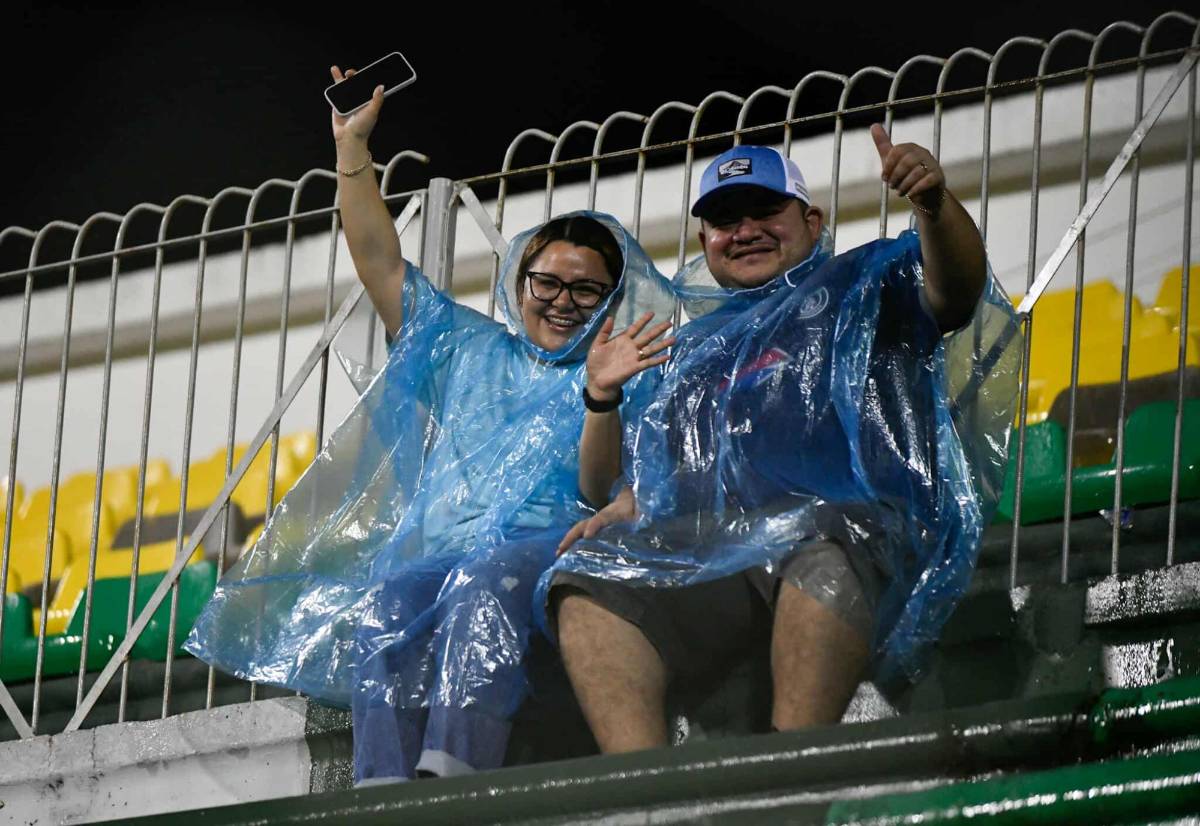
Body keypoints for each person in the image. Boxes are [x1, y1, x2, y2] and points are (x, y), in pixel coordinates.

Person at [184, 69, 676, 783]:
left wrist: (602, 393)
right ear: (520, 282)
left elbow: (603, 490)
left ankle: (454, 769)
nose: (564, 302)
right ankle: (381, 781)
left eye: (587, 289)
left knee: (487, 575)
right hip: (443, 562)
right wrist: (352, 153)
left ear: (611, 297)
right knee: (391, 596)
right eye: (549, 282)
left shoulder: (630, 366)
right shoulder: (465, 346)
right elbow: (379, 260)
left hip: (550, 557)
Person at [538, 131, 1021, 754]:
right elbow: (664, 465)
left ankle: (788, 782)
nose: (743, 231)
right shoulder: (689, 349)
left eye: (765, 211)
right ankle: (643, 793)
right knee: (586, 576)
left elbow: (952, 290)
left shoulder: (863, 284)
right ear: (705, 241)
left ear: (812, 220)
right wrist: (634, 496)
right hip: (719, 559)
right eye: (723, 219)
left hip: (846, 542)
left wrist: (933, 206)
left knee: (821, 543)